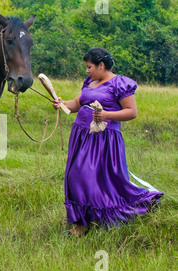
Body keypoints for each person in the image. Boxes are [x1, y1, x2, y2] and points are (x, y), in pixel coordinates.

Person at [53, 47, 164, 237]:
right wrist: (62, 104)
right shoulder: (90, 82)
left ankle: (84, 225)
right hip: (82, 136)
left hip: (104, 140)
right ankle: (85, 221)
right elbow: (77, 104)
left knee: (86, 176)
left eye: (89, 67)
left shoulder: (119, 84)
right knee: (75, 175)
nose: (87, 71)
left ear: (101, 65)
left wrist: (106, 114)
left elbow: (131, 112)